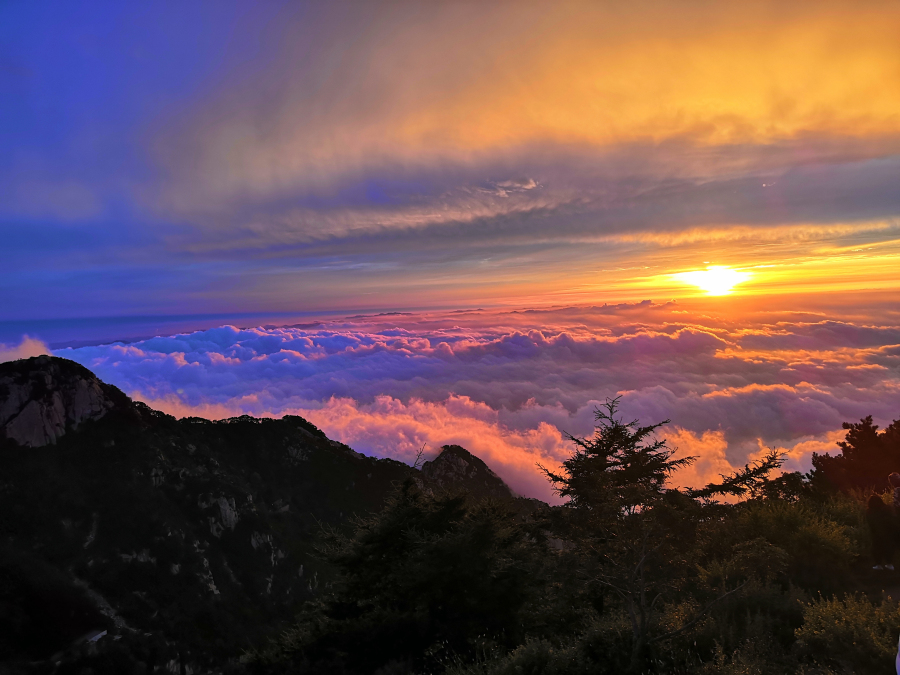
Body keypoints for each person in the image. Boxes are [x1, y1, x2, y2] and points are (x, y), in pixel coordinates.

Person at [867, 494, 896, 570]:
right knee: (888, 548)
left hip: (876, 534)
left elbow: (870, 524)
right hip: (889, 533)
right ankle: (889, 564)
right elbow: (893, 521)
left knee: (876, 549)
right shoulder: (887, 509)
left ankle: (878, 564)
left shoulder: (869, 511)